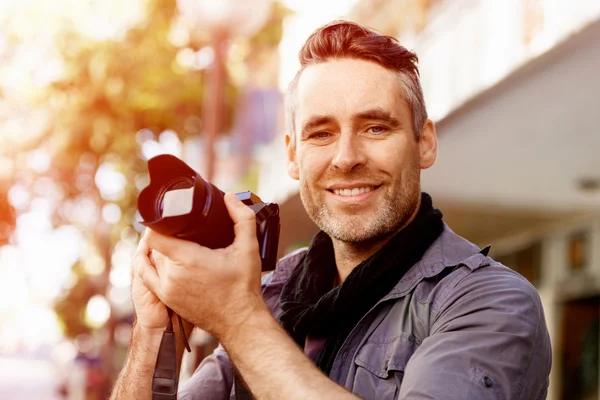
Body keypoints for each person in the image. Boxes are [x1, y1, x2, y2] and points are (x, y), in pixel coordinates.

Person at [110, 20, 552, 400]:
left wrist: (237, 319)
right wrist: (153, 333)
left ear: (424, 142)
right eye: (320, 134)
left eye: (376, 127)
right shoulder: (275, 294)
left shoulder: (490, 303)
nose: (345, 157)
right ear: (292, 155)